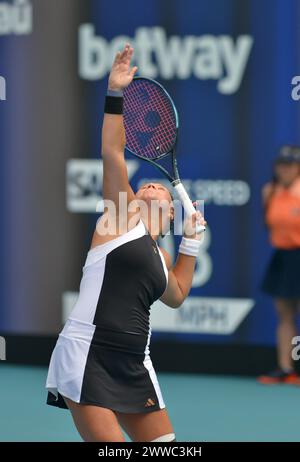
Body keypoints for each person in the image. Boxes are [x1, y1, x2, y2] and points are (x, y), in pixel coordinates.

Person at [45, 44, 206, 442]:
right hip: (88, 354)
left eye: (159, 188)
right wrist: (115, 92)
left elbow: (178, 294)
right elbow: (111, 150)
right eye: (144, 184)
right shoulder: (119, 219)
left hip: (136, 363)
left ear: (171, 214)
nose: (150, 184)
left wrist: (191, 244)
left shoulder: (159, 256)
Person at [258, 145, 300, 385]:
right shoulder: (269, 191)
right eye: (282, 165)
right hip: (283, 258)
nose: (285, 169)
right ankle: (286, 368)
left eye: (291, 165)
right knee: (285, 315)